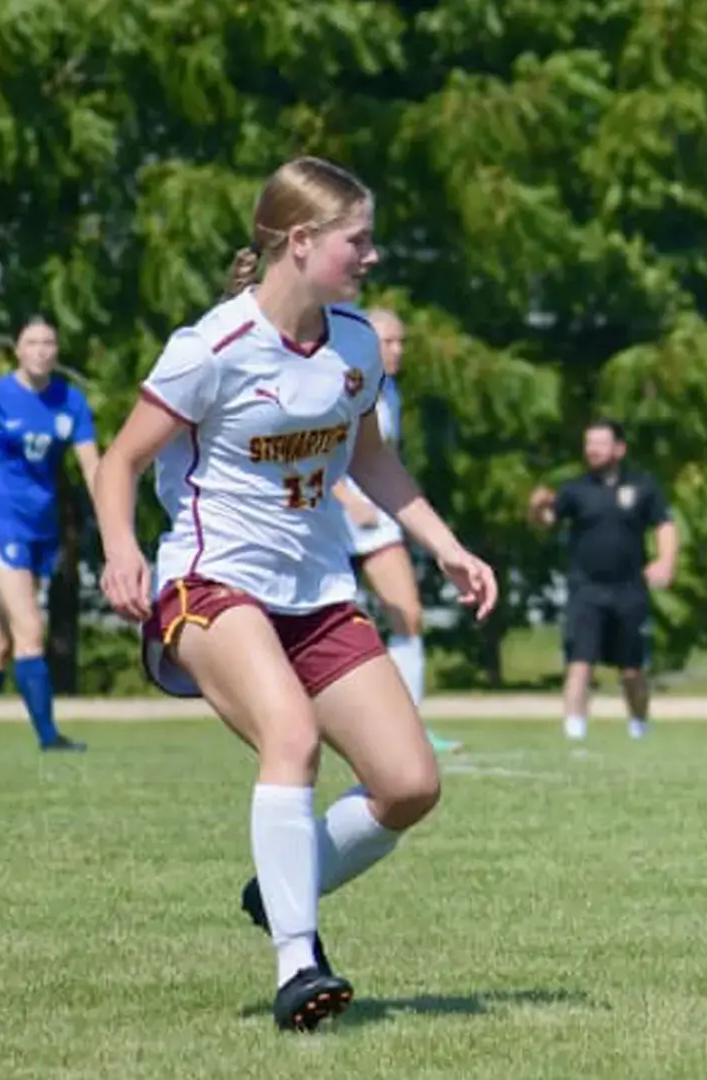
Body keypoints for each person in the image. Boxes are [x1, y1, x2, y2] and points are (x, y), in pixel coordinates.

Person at [90, 157, 498, 1032]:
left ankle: (282, 883)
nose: (372, 256)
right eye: (360, 240)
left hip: (317, 593)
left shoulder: (354, 343)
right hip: (211, 582)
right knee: (292, 736)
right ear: (302, 241)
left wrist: (448, 548)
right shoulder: (213, 348)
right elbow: (119, 462)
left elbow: (373, 459)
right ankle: (298, 965)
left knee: (409, 784)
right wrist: (121, 550)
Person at [0, 316, 97, 752]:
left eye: (49, 342)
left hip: (40, 529)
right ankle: (49, 737)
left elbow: (92, 466)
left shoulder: (70, 402)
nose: (42, 350)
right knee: (30, 627)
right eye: (33, 342)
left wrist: (112, 520)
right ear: (18, 350)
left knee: (2, 640)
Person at [327, 306, 461, 754]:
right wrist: (348, 499)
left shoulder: (390, 393)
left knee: (408, 615)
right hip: (327, 518)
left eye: (402, 341)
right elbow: (316, 453)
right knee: (319, 623)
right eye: (388, 341)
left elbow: (382, 461)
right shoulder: (336, 381)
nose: (397, 350)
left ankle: (410, 729)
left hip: (377, 522)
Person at [527, 420, 679, 741]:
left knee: (632, 670)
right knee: (580, 662)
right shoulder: (574, 489)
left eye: (600, 443)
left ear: (619, 449)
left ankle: (639, 726)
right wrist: (537, 508)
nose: (592, 450)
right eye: (589, 443)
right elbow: (547, 520)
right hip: (586, 589)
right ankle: (574, 732)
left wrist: (666, 561)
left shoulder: (643, 486)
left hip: (629, 589)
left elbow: (664, 525)